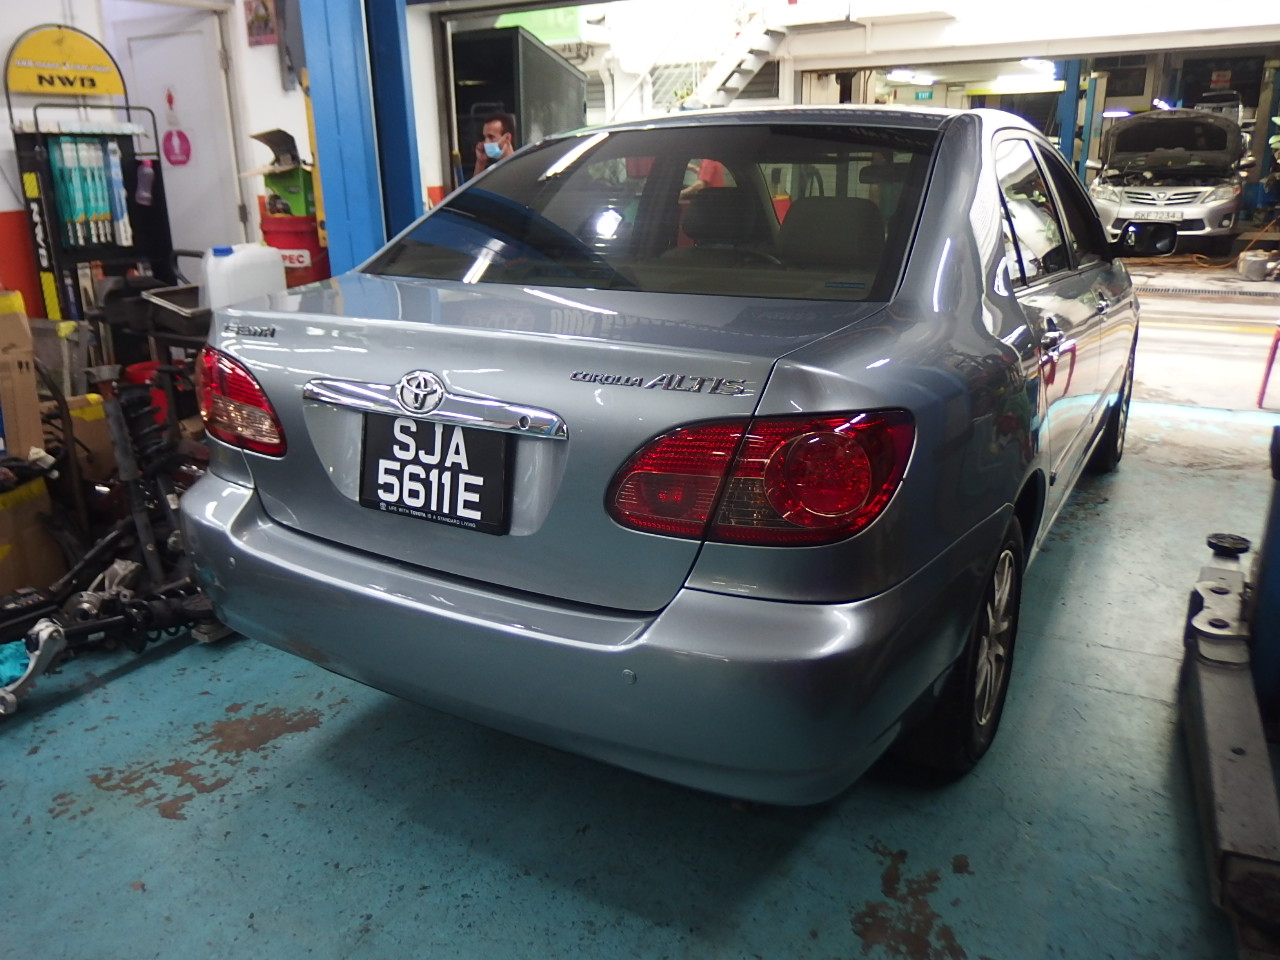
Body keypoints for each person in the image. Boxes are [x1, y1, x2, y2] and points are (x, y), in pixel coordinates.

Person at [473, 113, 516, 177]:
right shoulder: (492, 171)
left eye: (491, 137)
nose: (486, 143)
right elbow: (476, 183)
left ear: (507, 138)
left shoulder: (521, 166)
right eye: (485, 138)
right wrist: (480, 163)